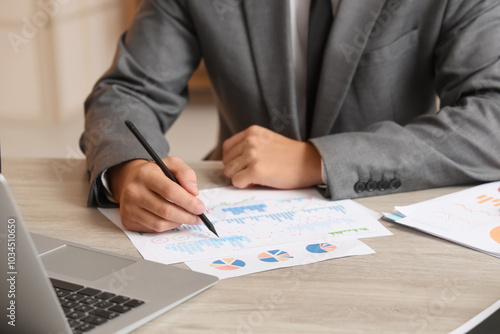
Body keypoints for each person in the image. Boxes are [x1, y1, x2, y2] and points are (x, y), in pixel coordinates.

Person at [81, 0, 500, 233]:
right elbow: (128, 91)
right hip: (236, 215)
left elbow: (492, 117)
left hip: (391, 217)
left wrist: (316, 160)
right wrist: (127, 170)